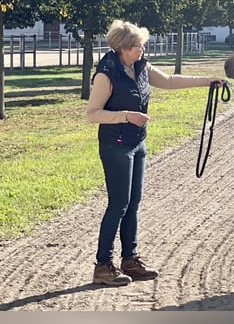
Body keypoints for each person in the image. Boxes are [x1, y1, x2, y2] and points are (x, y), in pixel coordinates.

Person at [85, 19, 223, 286]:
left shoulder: (141, 66)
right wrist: (126, 116)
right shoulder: (106, 73)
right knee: (118, 204)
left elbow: (170, 81)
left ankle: (130, 259)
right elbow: (92, 114)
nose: (142, 50)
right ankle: (102, 265)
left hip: (137, 144)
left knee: (133, 203)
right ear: (123, 48)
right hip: (116, 145)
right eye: (138, 46)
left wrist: (208, 81)